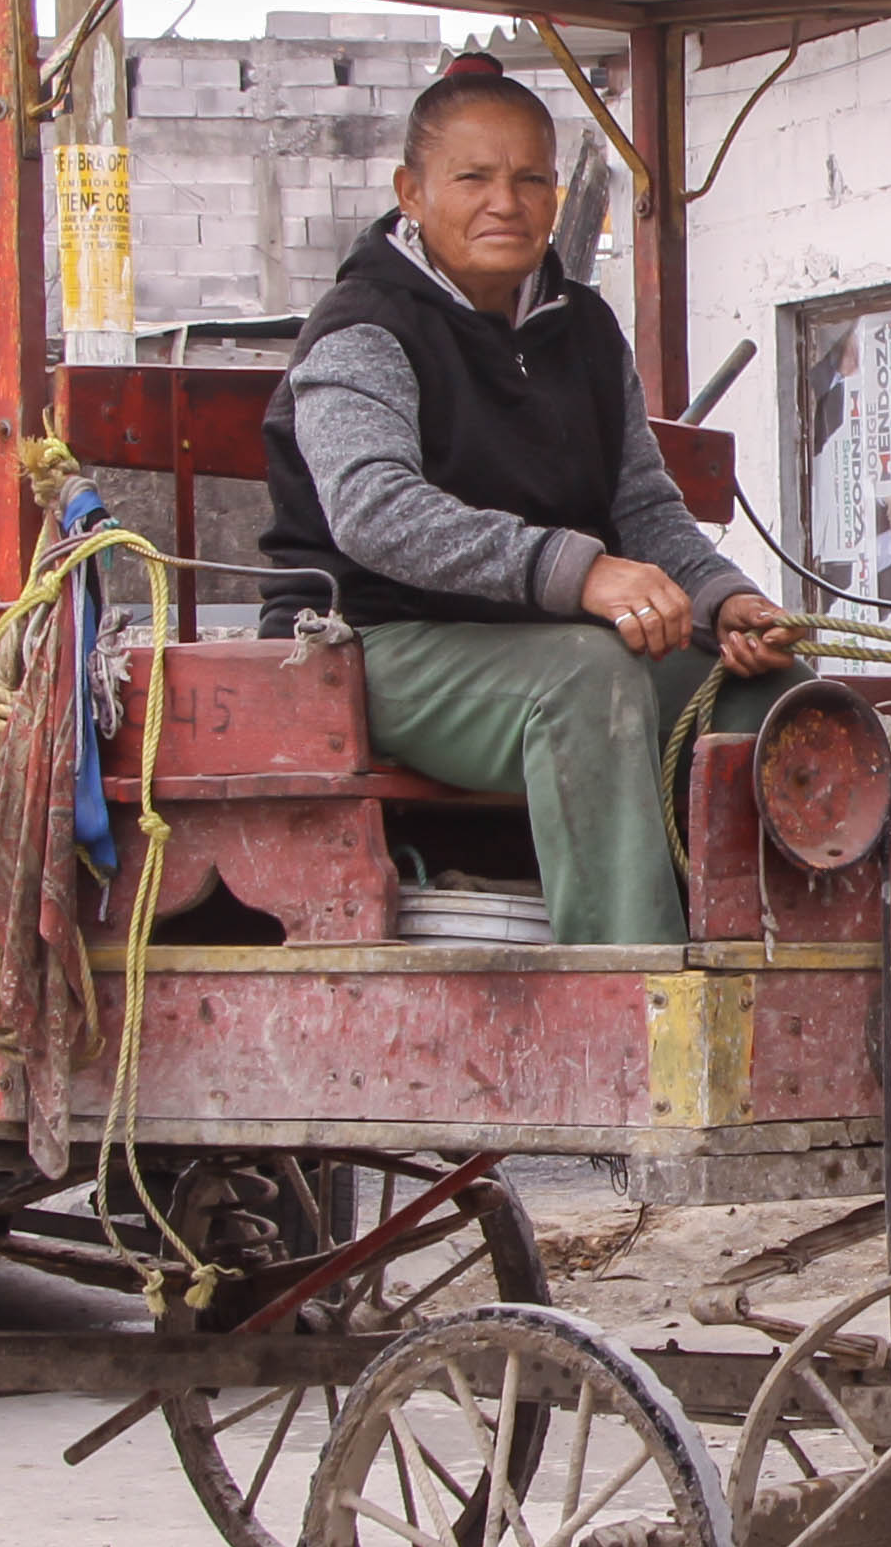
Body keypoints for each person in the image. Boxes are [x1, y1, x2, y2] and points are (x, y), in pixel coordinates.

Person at [257, 61, 803, 946]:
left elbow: (644, 509)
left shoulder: (580, 327)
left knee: (767, 696)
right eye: (472, 177)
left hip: (538, 643)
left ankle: (778, 968)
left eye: (529, 178)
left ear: (555, 195)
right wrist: (577, 572)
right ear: (412, 192)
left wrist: (720, 599)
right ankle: (638, 993)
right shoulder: (363, 328)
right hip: (370, 647)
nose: (503, 202)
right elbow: (375, 512)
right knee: (589, 680)